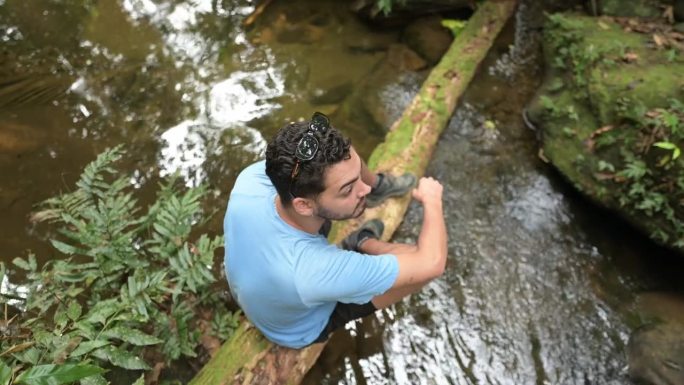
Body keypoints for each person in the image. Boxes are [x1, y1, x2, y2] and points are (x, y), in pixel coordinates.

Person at [224, 112, 447, 349]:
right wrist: (432, 200)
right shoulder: (315, 271)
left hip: (261, 288)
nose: (364, 190)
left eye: (360, 178)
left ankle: (377, 194)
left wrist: (363, 185)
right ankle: (362, 242)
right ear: (304, 204)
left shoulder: (252, 180)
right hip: (297, 328)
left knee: (340, 164)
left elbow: (335, 163)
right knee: (424, 270)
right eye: (348, 190)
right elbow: (433, 263)